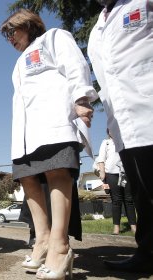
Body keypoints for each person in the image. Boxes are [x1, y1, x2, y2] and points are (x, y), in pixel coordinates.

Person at [0, 9, 97, 279]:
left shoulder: (54, 37)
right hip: (24, 132)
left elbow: (74, 63)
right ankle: (41, 239)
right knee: (28, 179)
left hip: (52, 121)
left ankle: (59, 244)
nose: (9, 39)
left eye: (12, 32)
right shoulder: (19, 63)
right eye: (6, 35)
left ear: (28, 25)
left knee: (56, 173)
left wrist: (81, 98)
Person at [88, 0, 153, 273]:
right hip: (123, 124)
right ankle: (147, 253)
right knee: (142, 193)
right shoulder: (96, 31)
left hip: (148, 106)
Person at [97, 129, 136, 235]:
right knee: (116, 200)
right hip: (111, 174)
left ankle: (134, 227)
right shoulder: (106, 142)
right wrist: (102, 173)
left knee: (129, 199)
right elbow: (101, 159)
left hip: (125, 173)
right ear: (108, 132)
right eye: (110, 129)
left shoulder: (125, 141)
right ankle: (116, 228)